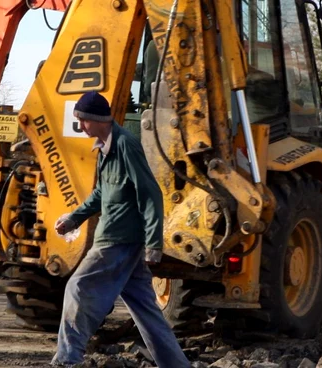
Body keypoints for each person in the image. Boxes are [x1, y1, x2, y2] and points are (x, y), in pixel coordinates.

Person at [51, 91, 190, 368]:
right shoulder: (104, 149)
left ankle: (67, 360)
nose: (80, 127)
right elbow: (102, 192)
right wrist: (74, 219)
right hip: (122, 239)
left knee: (78, 288)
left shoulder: (126, 144)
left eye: (83, 121)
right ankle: (176, 365)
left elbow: (149, 193)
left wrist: (154, 243)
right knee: (146, 311)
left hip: (119, 239)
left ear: (98, 119)